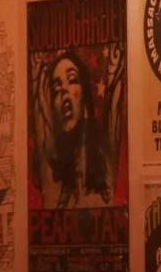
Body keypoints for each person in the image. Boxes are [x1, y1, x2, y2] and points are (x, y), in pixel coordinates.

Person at [37, 47, 114, 209]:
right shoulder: (53, 193)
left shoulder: (108, 174)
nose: (63, 90)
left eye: (71, 80)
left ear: (86, 106)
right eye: (56, 89)